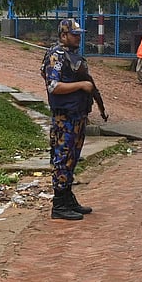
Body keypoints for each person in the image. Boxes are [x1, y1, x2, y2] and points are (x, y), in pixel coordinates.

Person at [40, 18, 98, 221]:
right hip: (64, 118)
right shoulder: (55, 56)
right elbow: (53, 86)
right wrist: (81, 85)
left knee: (72, 159)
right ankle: (59, 204)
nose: (78, 38)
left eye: (79, 34)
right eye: (74, 34)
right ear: (63, 35)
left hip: (77, 116)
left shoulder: (72, 56)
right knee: (63, 159)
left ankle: (67, 197)